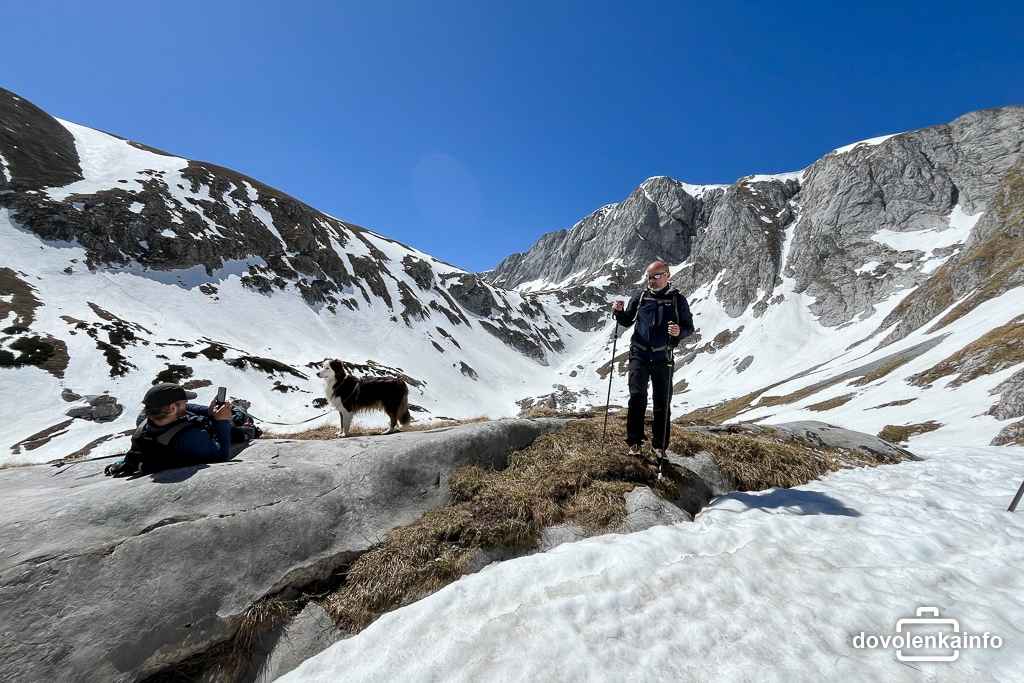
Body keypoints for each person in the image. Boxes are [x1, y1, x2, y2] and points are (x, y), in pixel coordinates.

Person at [612, 260, 695, 457]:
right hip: (639, 354)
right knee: (637, 398)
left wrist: (678, 331)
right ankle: (634, 443)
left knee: (662, 402)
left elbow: (689, 327)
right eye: (649, 277)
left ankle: (660, 447)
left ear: (667, 276)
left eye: (656, 276)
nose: (651, 280)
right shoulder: (640, 297)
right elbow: (627, 320)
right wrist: (618, 312)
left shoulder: (678, 300)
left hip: (662, 357)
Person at [104, 383, 258, 476]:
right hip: (213, 435)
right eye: (183, 402)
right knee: (240, 426)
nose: (187, 403)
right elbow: (222, 455)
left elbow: (189, 408)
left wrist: (209, 412)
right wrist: (221, 421)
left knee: (235, 415)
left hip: (195, 425)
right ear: (172, 408)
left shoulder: (145, 420)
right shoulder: (191, 437)